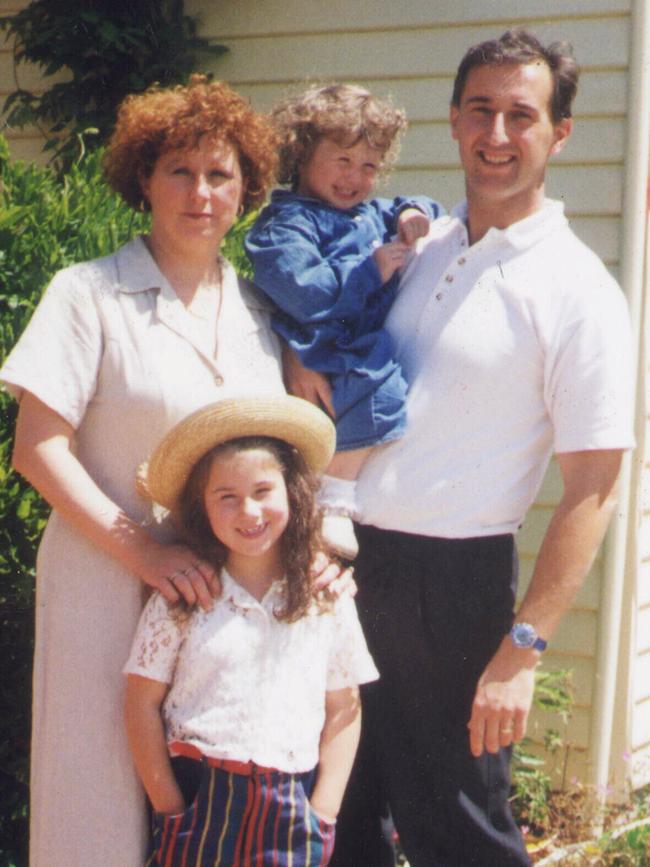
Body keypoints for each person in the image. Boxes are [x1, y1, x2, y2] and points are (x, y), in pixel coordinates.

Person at [282, 30, 636, 867]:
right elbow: (336, 324)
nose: (499, 134)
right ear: (453, 119)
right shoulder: (423, 241)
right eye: (482, 110)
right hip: (344, 560)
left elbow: (596, 481)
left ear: (560, 133)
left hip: (455, 591)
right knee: (338, 811)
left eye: (523, 114)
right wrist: (304, 353)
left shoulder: (578, 290)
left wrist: (524, 648)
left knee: (460, 830)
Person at [0, 77, 341, 867]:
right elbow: (36, 447)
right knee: (95, 800)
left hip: (223, 604)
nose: (201, 193)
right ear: (142, 179)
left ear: (247, 190)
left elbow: (288, 459)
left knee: (204, 809)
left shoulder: (262, 311)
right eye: (179, 171)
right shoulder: (86, 295)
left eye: (221, 175)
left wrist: (319, 550)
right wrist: (143, 552)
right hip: (103, 579)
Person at [124, 394, 379, 867]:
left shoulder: (325, 598)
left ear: (292, 491)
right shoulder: (183, 598)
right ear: (201, 507)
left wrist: (324, 810)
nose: (249, 512)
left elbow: (345, 708)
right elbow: (141, 701)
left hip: (292, 805)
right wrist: (170, 807)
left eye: (263, 491)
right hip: (199, 797)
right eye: (227, 497)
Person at [246, 84, 444, 557]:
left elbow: (425, 208)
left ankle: (325, 495)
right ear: (302, 153)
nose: (354, 178)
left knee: (379, 389)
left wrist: (412, 213)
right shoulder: (287, 222)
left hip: (350, 344)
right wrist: (369, 271)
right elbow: (304, 290)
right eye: (342, 161)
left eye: (369, 167)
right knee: (375, 389)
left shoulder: (366, 214)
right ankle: (332, 501)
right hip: (318, 341)